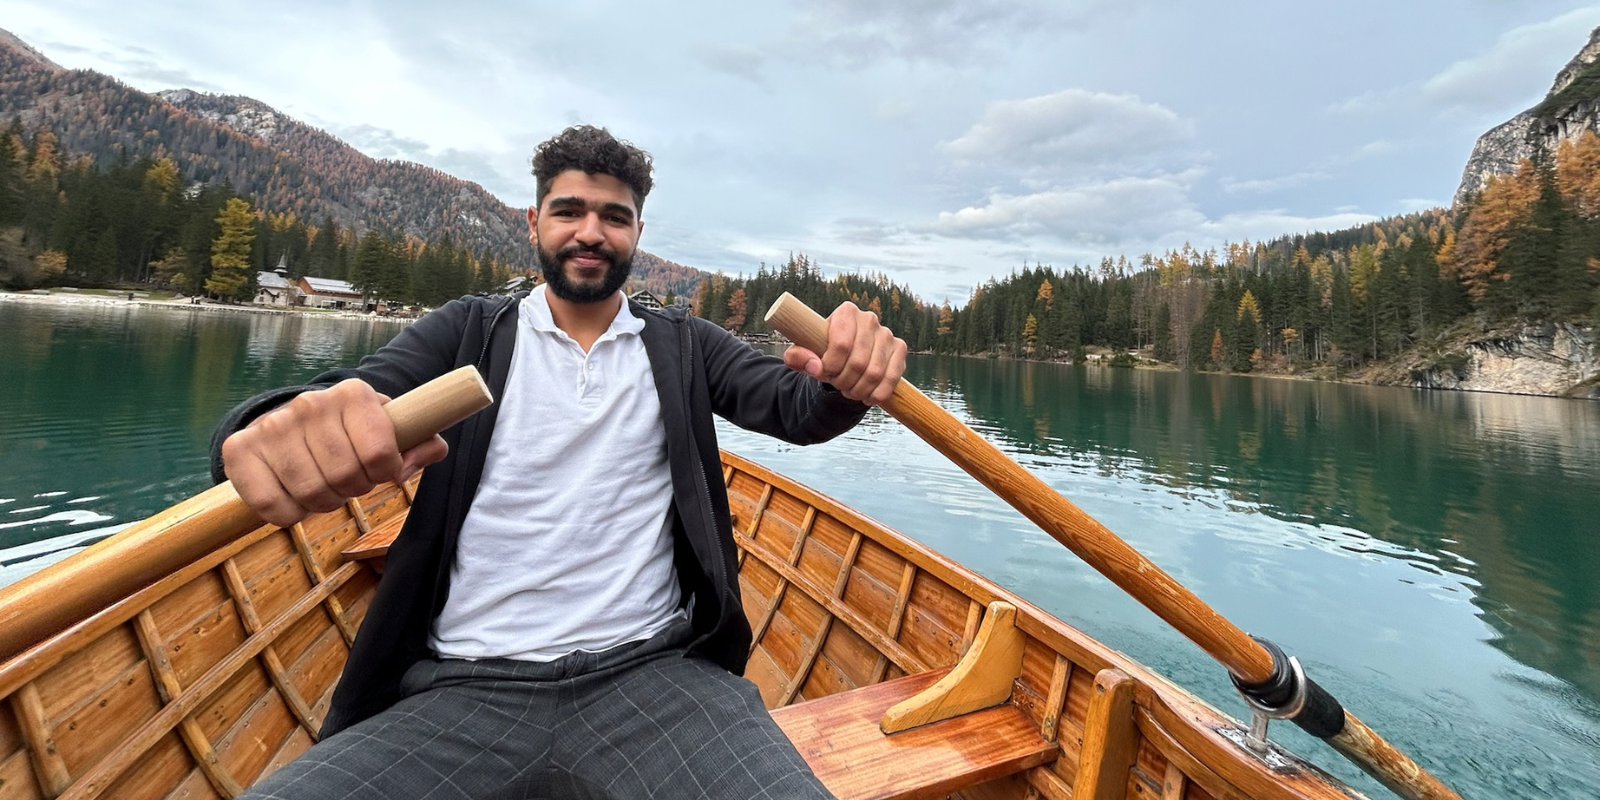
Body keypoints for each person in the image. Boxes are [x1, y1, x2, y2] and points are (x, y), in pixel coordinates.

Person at [212, 125, 906, 799]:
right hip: (461, 689)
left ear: (637, 233)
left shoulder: (683, 343)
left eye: (615, 216)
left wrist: (845, 378)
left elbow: (794, 408)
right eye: (568, 210)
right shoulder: (470, 330)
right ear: (534, 222)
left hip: (658, 682)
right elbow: (346, 395)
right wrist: (264, 427)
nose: (590, 232)